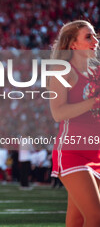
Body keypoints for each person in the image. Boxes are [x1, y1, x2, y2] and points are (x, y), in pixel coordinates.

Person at [49, 20, 100, 226]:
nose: (95, 40)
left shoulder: (97, 72)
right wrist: (94, 101)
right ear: (73, 44)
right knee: (96, 216)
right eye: (88, 37)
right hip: (72, 151)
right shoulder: (63, 72)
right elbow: (58, 113)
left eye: (95, 35)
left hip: (96, 151)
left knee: (77, 218)